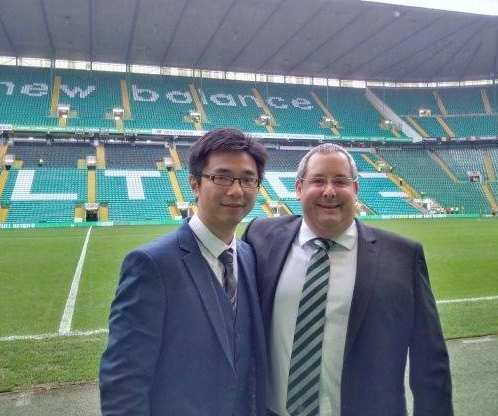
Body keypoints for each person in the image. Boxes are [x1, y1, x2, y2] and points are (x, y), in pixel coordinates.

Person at [243, 143, 453, 416]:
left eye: (340, 181)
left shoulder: (403, 256)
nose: (329, 191)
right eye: (318, 180)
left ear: (355, 189)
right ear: (298, 188)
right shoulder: (260, 236)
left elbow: (430, 362)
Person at [99, 128, 268, 416]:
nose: (236, 190)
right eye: (222, 177)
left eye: (247, 179)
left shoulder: (250, 257)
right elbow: (123, 382)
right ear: (195, 184)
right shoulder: (151, 265)